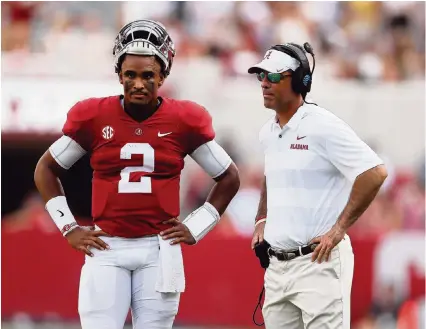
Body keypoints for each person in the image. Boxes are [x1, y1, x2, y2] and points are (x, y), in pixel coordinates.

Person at [34, 19, 240, 329]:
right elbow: (46, 169)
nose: (139, 84)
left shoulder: (184, 120)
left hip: (159, 248)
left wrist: (196, 225)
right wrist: (68, 228)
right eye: (130, 74)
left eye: (148, 75)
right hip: (106, 245)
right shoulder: (93, 116)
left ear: (163, 74)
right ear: (119, 74)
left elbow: (229, 177)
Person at [248, 42, 388, 329]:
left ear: (300, 81)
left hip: (318, 264)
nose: (264, 83)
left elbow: (374, 172)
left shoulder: (323, 125)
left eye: (273, 77)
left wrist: (338, 230)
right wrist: (261, 218)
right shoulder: (268, 131)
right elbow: (270, 175)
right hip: (277, 267)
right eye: (261, 76)